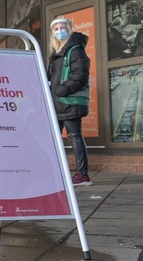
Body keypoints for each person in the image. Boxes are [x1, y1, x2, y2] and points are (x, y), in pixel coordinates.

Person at [47, 15, 92, 187]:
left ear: (70, 29)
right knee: (53, 139)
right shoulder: (57, 53)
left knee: (74, 136)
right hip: (57, 103)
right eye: (56, 29)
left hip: (69, 101)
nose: (60, 31)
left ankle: (82, 174)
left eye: (63, 27)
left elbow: (80, 74)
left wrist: (61, 90)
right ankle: (55, 172)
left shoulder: (75, 50)